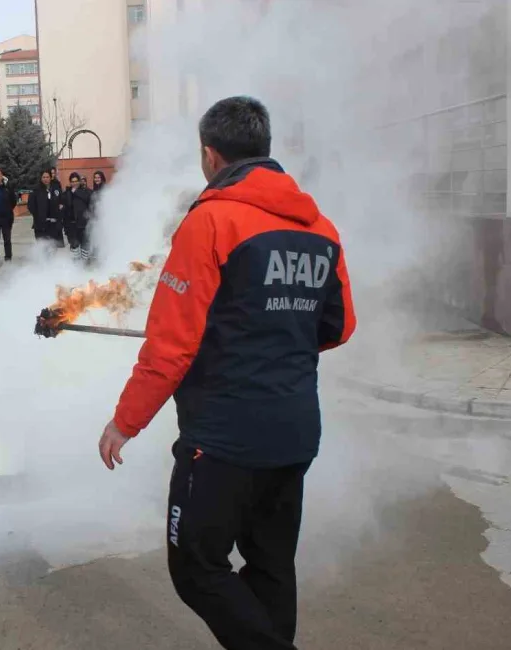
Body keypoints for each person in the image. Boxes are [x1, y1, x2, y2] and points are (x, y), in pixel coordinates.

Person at [97, 96, 356, 650]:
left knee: (196, 565)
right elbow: (339, 327)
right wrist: (277, 329)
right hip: (294, 430)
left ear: (211, 156)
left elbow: (170, 348)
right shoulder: (323, 229)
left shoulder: (210, 220)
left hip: (223, 438)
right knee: (269, 565)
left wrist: (124, 423)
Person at [62, 172, 92, 260]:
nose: (74, 183)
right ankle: (76, 267)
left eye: (76, 181)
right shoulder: (67, 193)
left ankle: (84, 265)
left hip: (84, 224)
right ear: (70, 182)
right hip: (71, 225)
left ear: (79, 182)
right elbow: (64, 207)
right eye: (72, 181)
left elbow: (88, 201)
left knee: (85, 246)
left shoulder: (86, 192)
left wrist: (76, 192)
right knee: (74, 246)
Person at [27, 170, 62, 245]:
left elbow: (61, 201)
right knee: (42, 247)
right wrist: (38, 216)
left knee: (53, 247)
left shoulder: (56, 189)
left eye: (47, 177)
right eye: (44, 177)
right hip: (40, 225)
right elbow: (30, 206)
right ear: (41, 178)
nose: (45, 179)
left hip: (53, 224)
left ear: (50, 178)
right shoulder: (36, 191)